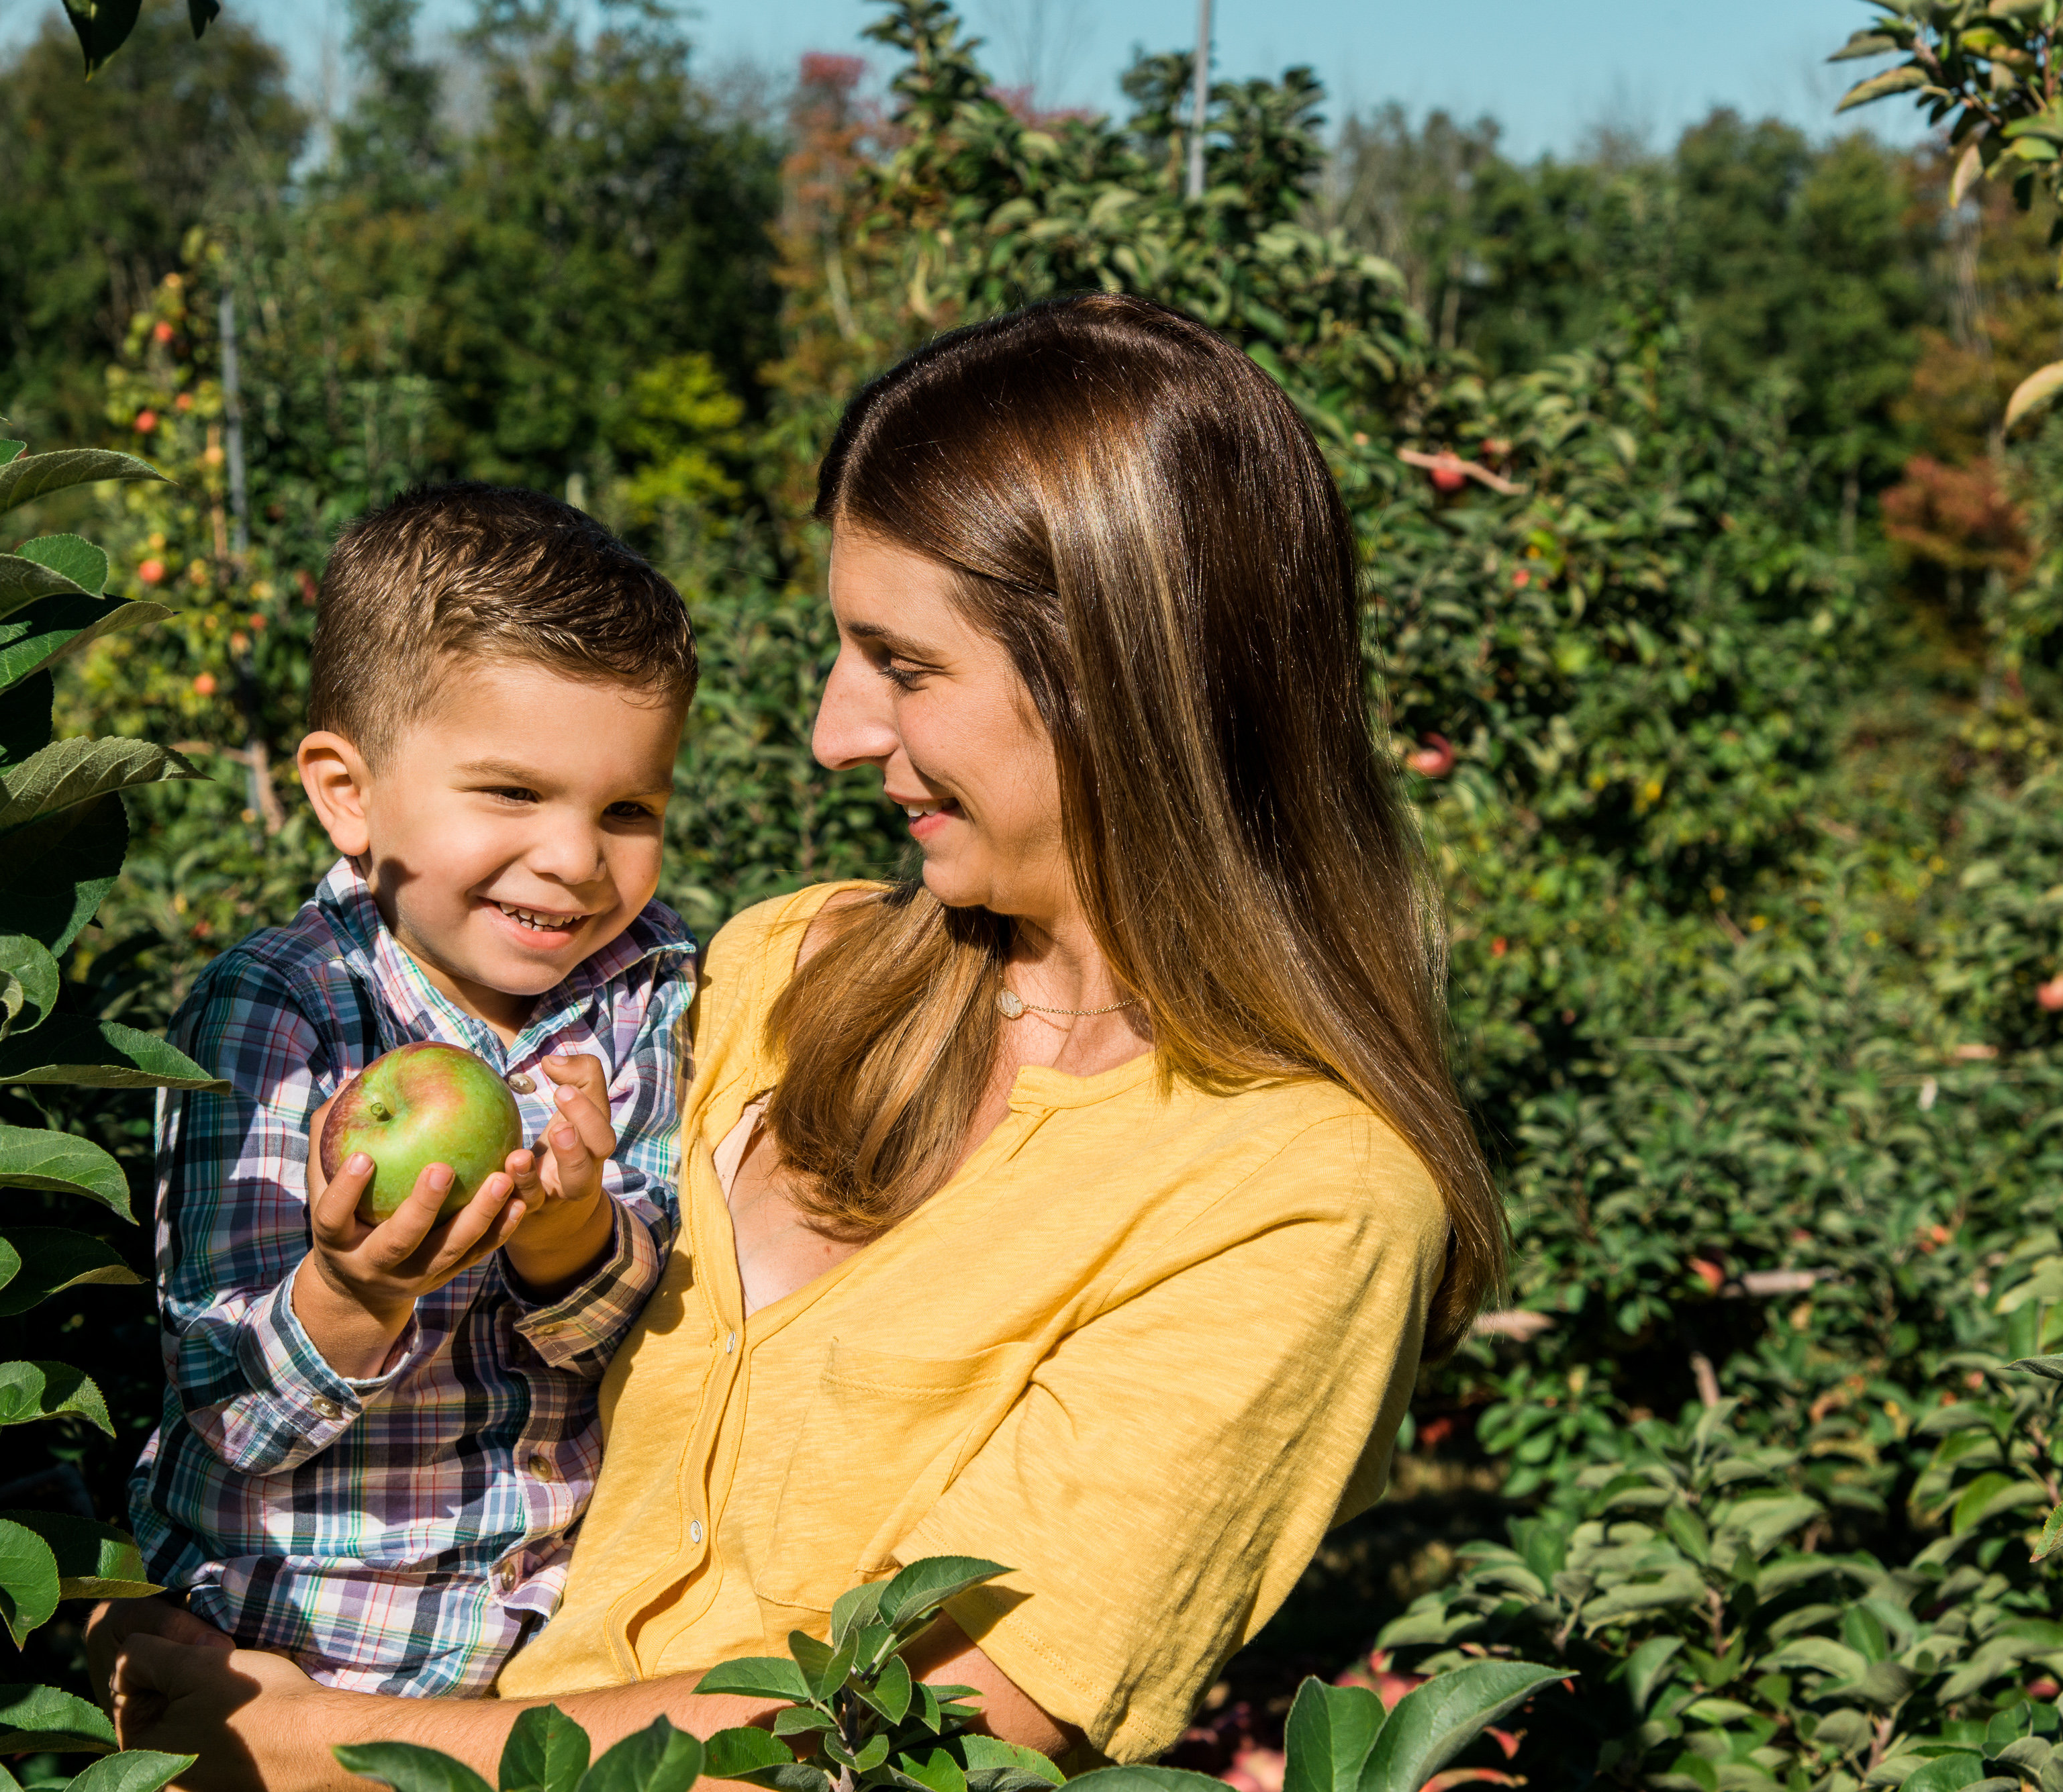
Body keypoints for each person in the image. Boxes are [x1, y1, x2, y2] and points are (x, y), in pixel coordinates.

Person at [97, 293, 1507, 1786]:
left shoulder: (1298, 1196)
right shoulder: (777, 971)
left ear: (1120, 674)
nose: (834, 732)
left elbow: (934, 1724)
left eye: (903, 664)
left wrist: (312, 1746)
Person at [128, 483, 700, 1696]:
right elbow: (228, 1412)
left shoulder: (647, 992)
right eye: (513, 792)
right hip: (303, 1646)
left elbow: (655, 1348)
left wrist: (574, 1236)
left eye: (629, 808)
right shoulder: (276, 1015)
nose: (576, 858)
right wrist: (355, 1288)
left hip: (561, 1641)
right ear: (349, 792)